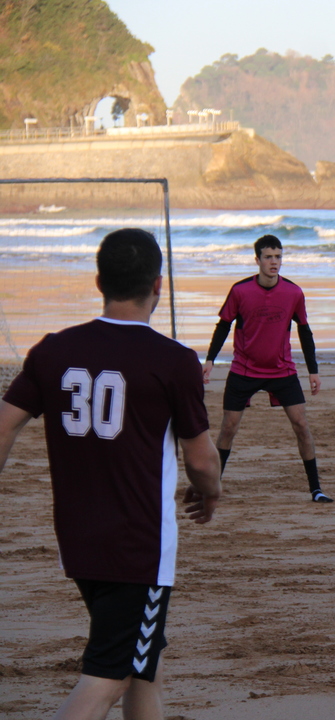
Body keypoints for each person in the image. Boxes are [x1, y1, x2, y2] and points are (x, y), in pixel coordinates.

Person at [0, 228, 221, 720]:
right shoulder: (174, 360)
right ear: (158, 285)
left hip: (78, 538)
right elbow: (202, 461)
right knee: (112, 675)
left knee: (145, 664)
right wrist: (211, 492)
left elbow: (3, 428)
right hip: (136, 545)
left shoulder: (53, 350)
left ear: (99, 281)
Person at [203, 234, 332, 503]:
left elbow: (305, 331)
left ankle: (316, 490)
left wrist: (313, 370)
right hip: (244, 370)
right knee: (229, 427)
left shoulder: (293, 293)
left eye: (278, 257)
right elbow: (224, 325)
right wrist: (210, 359)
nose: (274, 262)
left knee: (301, 424)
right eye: (269, 257)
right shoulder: (240, 291)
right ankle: (212, 487)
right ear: (257, 260)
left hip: (282, 371)